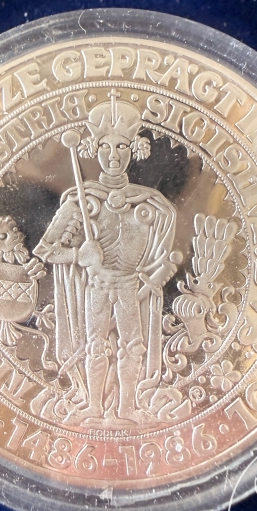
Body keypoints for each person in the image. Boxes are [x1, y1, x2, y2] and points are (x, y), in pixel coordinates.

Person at [34, 91, 179, 425]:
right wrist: (78, 254)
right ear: (93, 149)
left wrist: (157, 276)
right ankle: (94, 407)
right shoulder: (82, 200)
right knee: (95, 344)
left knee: (133, 346)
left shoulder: (152, 204)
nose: (113, 156)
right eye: (106, 147)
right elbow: (45, 250)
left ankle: (127, 408)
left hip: (130, 287)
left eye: (122, 147)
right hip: (96, 285)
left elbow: (163, 259)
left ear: (135, 149)